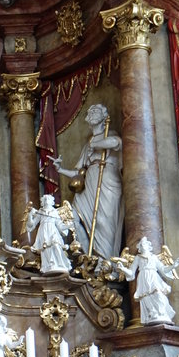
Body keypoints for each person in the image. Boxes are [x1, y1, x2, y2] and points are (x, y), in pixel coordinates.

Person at [53, 103, 123, 258]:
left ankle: (105, 261)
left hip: (106, 179)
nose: (91, 113)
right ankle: (88, 257)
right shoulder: (88, 144)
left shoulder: (109, 133)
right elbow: (78, 172)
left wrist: (95, 144)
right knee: (74, 217)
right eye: (90, 111)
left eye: (96, 111)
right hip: (89, 182)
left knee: (104, 222)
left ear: (104, 117)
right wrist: (60, 170)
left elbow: (116, 143)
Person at [117, 236, 179, 325]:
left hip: (153, 276)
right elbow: (131, 272)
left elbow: (163, 269)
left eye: (145, 244)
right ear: (139, 248)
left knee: (158, 293)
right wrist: (123, 269)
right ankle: (153, 313)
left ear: (149, 247)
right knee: (145, 296)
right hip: (143, 277)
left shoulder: (154, 257)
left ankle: (162, 312)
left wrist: (173, 266)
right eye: (142, 245)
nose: (143, 246)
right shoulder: (138, 258)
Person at [26, 194, 73, 273]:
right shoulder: (40, 211)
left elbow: (60, 226)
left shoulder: (55, 211)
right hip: (43, 231)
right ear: (43, 202)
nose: (47, 201)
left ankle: (61, 264)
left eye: (49, 199)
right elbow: (31, 225)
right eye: (45, 199)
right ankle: (49, 265)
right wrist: (30, 215)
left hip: (53, 231)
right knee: (46, 248)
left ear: (52, 202)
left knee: (56, 245)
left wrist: (68, 226)